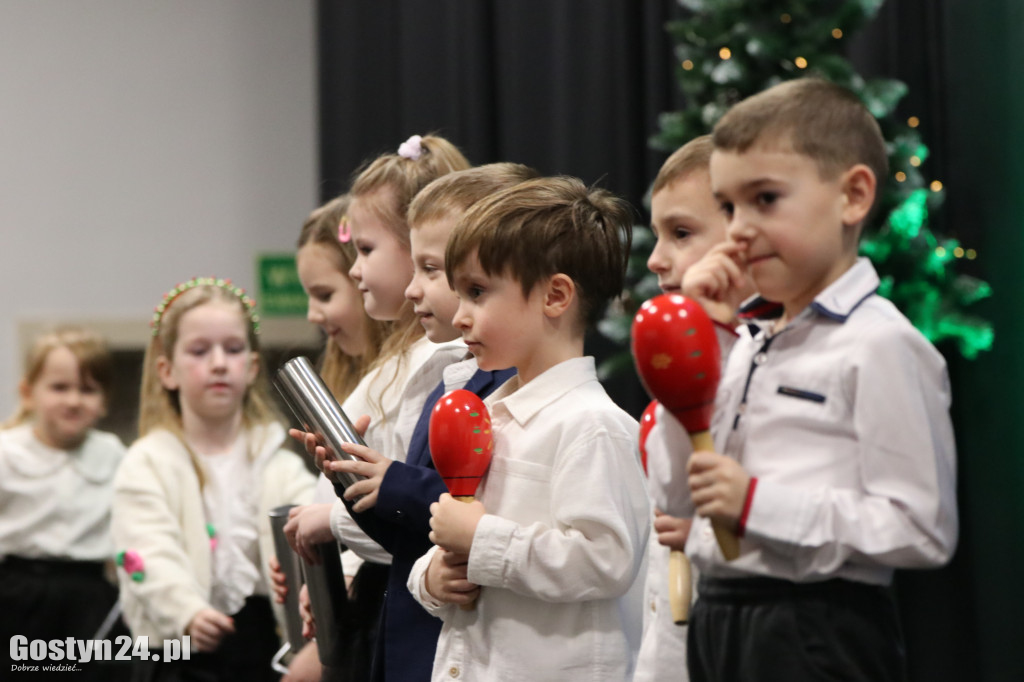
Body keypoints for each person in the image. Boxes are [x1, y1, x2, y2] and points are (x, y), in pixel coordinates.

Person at [668, 77, 958, 682]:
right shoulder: (743, 338)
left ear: (852, 196)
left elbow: (921, 527)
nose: (739, 228)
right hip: (719, 618)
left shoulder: (880, 342)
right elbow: (676, 492)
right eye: (727, 207)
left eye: (765, 199)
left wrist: (758, 504)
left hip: (815, 629)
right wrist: (700, 343)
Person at [407, 176, 651, 681]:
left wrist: (482, 542)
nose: (461, 317)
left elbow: (605, 560)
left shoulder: (594, 426)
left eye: (477, 292)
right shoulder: (492, 414)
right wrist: (432, 577)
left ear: (556, 296)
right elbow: (467, 549)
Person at [315, 163, 534, 682]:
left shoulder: (509, 388)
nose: (415, 290)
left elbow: (481, 507)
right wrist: (350, 481)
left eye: (431, 271)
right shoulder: (447, 383)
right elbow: (409, 536)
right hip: (415, 637)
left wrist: (389, 478)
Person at [286, 134, 471, 680]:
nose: (355, 271)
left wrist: (333, 525)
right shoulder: (397, 364)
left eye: (364, 252)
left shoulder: (443, 363)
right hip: (383, 587)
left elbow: (421, 510)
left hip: (413, 599)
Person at [111, 277, 317, 682]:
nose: (220, 362)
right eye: (200, 351)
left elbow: (311, 526)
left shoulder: (276, 462)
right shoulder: (148, 461)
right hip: (177, 647)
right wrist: (186, 611)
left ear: (252, 366)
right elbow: (147, 550)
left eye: (234, 349)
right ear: (167, 371)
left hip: (261, 641)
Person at [634, 135, 754, 682]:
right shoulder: (689, 353)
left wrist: (705, 532)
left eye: (681, 234)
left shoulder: (765, 353)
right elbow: (671, 492)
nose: (657, 259)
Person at [275, 193, 393, 681]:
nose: (311, 315)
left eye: (324, 295)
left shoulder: (401, 383)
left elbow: (401, 513)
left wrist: (340, 561)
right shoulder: (359, 381)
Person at [0, 326, 127, 680]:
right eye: (59, 387)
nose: (73, 400)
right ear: (28, 393)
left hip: (91, 597)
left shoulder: (114, 453)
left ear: (103, 400)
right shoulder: (7, 452)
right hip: (16, 593)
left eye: (87, 389)